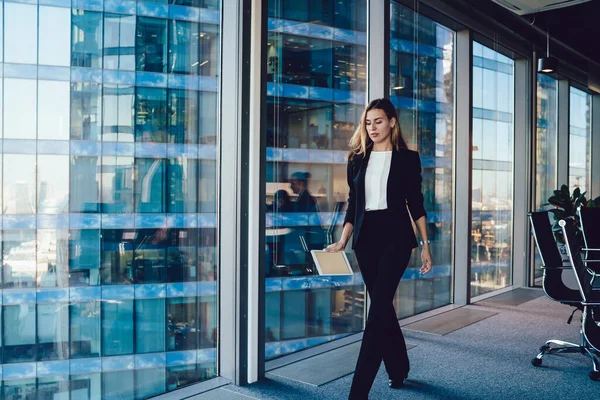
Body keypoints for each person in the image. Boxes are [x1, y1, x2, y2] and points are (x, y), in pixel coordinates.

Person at [325, 98, 432, 399]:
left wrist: (425, 245)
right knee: (382, 307)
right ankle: (398, 368)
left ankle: (358, 393)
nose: (372, 128)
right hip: (366, 239)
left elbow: (417, 204)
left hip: (396, 237)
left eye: (379, 121)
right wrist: (343, 240)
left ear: (392, 122)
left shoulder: (408, 159)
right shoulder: (357, 159)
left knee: (376, 315)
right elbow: (353, 205)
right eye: (368, 123)